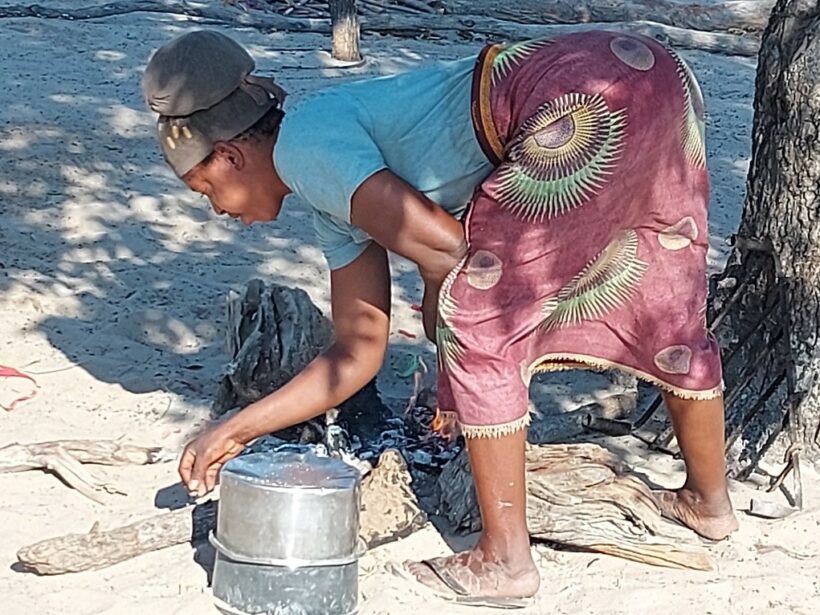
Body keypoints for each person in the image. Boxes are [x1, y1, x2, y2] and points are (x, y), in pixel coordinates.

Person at [142, 29, 738, 607]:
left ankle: (503, 559)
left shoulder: (302, 147)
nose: (218, 210)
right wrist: (240, 428)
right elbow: (358, 349)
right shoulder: (329, 189)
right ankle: (709, 502)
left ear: (228, 155)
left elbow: (447, 250)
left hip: (571, 96)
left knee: (477, 312)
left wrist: (448, 336)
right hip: (654, 76)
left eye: (205, 191)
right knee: (662, 289)